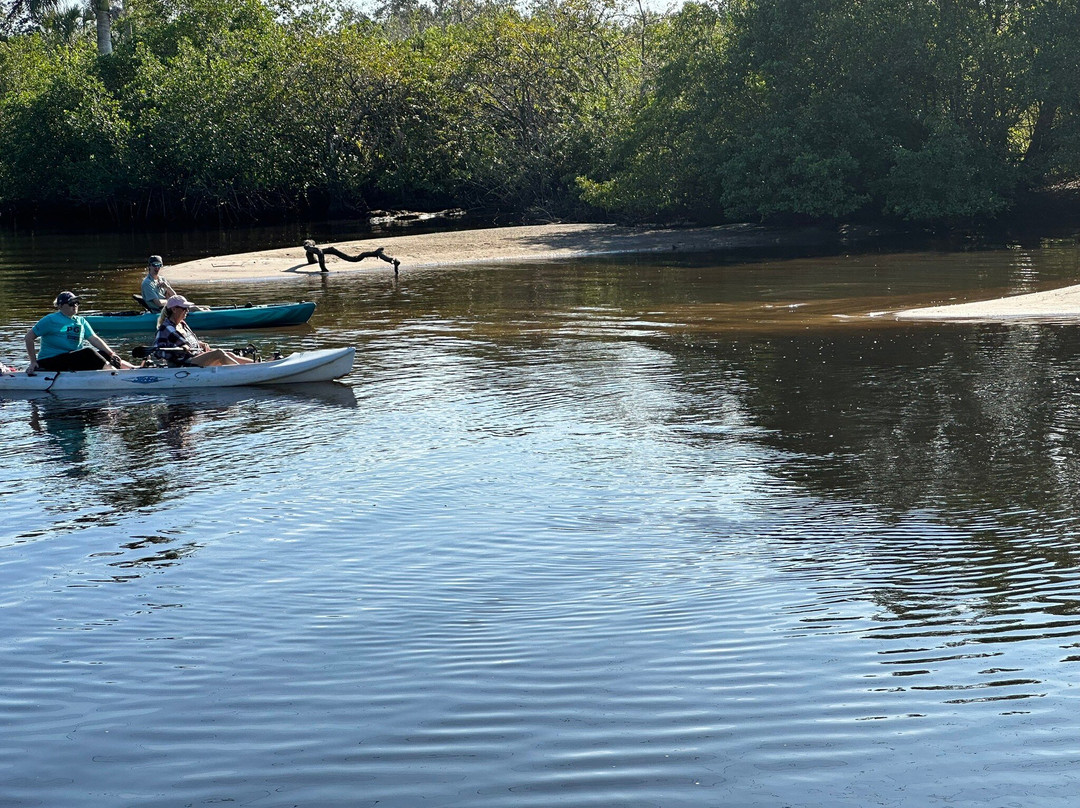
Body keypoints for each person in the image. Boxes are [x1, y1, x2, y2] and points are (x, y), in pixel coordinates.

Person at [25, 291, 136, 373]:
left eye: (76, 303)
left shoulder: (81, 321)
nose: (75, 305)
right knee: (88, 352)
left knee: (103, 354)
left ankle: (134, 369)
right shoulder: (50, 319)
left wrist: (112, 354)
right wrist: (33, 362)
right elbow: (28, 337)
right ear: (60, 306)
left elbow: (94, 339)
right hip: (50, 361)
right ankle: (115, 374)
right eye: (71, 303)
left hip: (72, 359)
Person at [153, 295, 254, 367]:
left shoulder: (183, 324)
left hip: (196, 356)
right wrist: (180, 349)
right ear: (174, 309)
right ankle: (243, 371)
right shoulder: (165, 328)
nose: (187, 311)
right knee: (219, 353)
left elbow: (189, 342)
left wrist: (199, 343)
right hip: (184, 363)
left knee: (229, 354)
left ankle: (256, 365)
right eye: (185, 309)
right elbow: (157, 351)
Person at [141, 255, 208, 311]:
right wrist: (172, 302)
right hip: (160, 311)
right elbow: (158, 303)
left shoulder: (162, 279)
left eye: (159, 265)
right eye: (155, 265)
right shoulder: (147, 283)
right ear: (149, 266)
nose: (157, 267)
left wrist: (168, 287)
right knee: (194, 308)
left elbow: (174, 296)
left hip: (171, 306)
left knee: (205, 308)